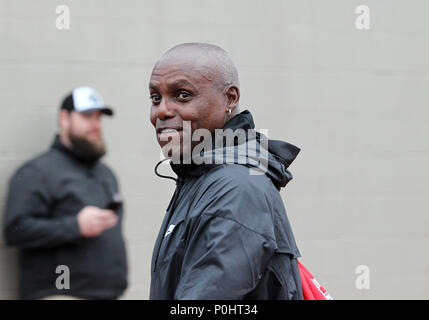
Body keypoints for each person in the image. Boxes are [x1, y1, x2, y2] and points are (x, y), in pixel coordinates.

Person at [149, 43, 303, 299]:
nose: (162, 110)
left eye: (182, 95)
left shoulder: (235, 188)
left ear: (230, 99)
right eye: (156, 98)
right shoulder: (199, 177)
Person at [3, 86, 128, 300]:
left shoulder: (105, 173)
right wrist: (75, 226)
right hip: (60, 293)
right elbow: (16, 229)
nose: (95, 125)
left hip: (109, 294)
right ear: (64, 118)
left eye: (98, 118)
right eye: (87, 116)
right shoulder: (37, 172)